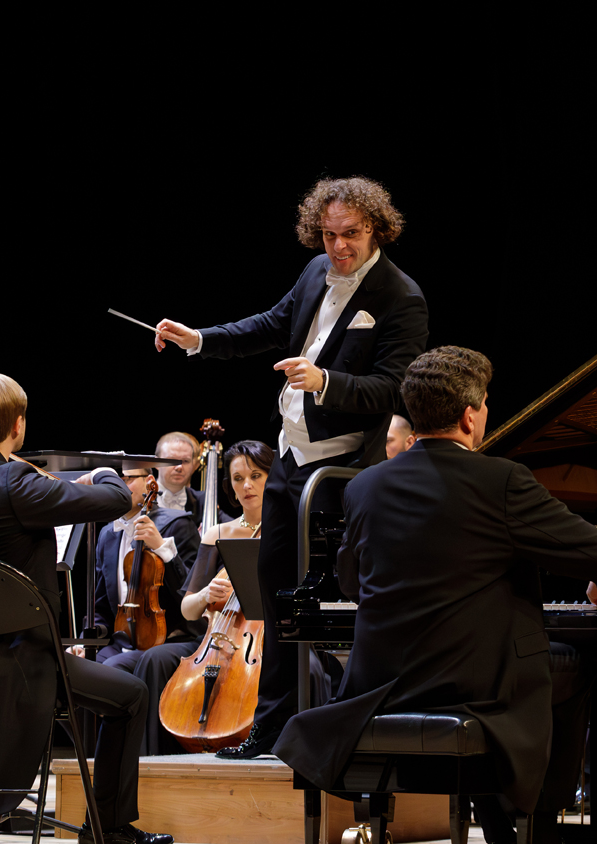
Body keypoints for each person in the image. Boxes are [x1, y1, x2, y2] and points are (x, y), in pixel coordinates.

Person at [272, 347, 597, 844]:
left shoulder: (364, 486)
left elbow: (351, 583)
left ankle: (505, 822)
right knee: (579, 665)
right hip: (477, 686)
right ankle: (540, 820)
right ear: (469, 416)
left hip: (385, 686)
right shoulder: (502, 480)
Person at [155, 176, 429, 757]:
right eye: (329, 235)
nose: (339, 247)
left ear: (377, 228)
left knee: (328, 601)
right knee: (273, 592)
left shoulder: (401, 296)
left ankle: (347, 724)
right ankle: (273, 726)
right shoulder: (313, 272)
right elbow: (269, 324)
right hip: (289, 459)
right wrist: (199, 340)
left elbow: (393, 388)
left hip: (339, 471)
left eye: (351, 234)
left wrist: (325, 381)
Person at [0, 373, 172, 844]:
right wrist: (101, 474)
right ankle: (108, 830)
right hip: (17, 660)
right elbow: (116, 498)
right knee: (130, 696)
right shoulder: (14, 481)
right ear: (17, 426)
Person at [133, 440, 274, 755]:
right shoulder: (218, 534)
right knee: (154, 660)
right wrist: (206, 594)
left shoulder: (287, 533)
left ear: (272, 478)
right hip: (216, 640)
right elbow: (188, 609)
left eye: (256, 476)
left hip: (267, 640)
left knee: (310, 669)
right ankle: (151, 764)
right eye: (238, 479)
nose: (247, 486)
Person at [91, 467, 201, 672]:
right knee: (75, 667)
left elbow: (191, 595)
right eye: (113, 481)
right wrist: (85, 643)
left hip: (168, 641)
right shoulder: (107, 534)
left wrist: (161, 547)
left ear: (149, 482)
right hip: (123, 640)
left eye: (126, 479)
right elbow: (102, 607)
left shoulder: (178, 525)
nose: (118, 486)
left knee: (110, 669)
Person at [154, 432, 228, 527]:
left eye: (185, 461)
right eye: (172, 460)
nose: (179, 467)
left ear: (194, 464)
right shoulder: (140, 497)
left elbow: (235, 527)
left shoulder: (202, 502)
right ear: (156, 463)